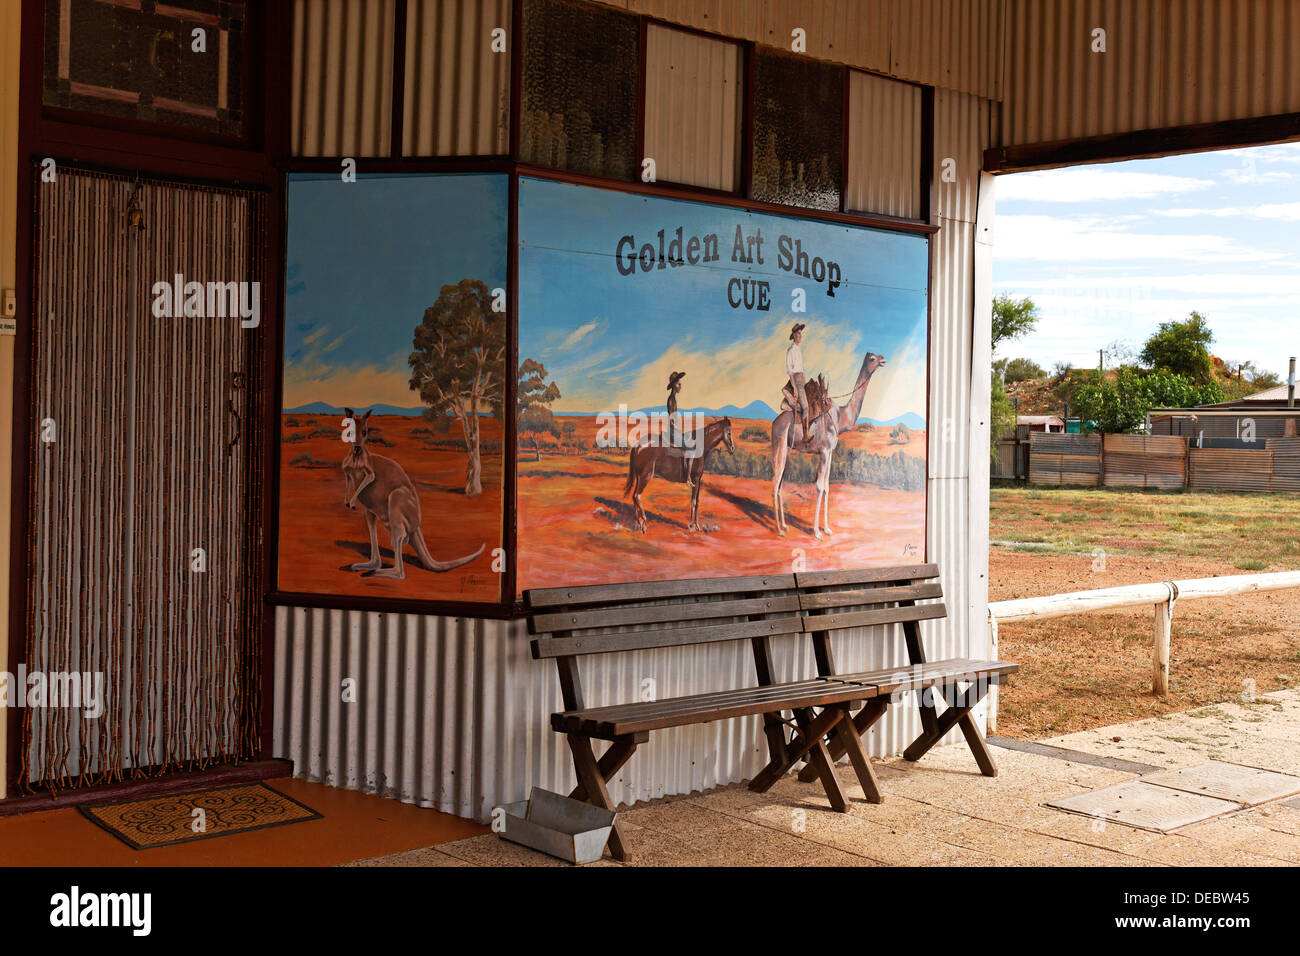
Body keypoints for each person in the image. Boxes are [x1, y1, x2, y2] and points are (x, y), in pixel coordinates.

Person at [665, 370, 694, 488]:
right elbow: (671, 419)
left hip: (674, 430)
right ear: (673, 385)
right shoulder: (671, 399)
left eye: (680, 384)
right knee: (691, 450)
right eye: (678, 384)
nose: (680, 386)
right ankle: (687, 478)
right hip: (672, 431)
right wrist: (676, 428)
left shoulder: (673, 399)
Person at [786, 323, 810, 436]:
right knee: (805, 407)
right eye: (799, 334)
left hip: (802, 378)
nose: (800, 336)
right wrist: (795, 387)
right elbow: (790, 371)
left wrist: (804, 378)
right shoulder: (790, 350)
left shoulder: (798, 350)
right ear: (794, 335)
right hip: (796, 379)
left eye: (801, 334)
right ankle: (805, 435)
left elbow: (800, 368)